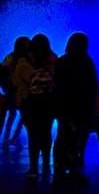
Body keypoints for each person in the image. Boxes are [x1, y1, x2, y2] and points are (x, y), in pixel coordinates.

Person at [53, 32, 98, 183]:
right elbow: (92, 88)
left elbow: (56, 85)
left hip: (64, 108)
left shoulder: (62, 61)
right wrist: (91, 109)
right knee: (75, 139)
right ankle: (73, 171)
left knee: (62, 138)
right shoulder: (86, 62)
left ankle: (59, 168)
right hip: (80, 108)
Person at [13, 33, 57, 179]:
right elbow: (57, 80)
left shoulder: (24, 60)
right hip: (49, 102)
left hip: (29, 103)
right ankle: (45, 163)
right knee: (46, 132)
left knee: (33, 135)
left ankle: (33, 168)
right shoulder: (53, 59)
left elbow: (15, 81)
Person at [1, 36, 29, 149]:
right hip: (14, 90)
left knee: (16, 115)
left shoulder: (11, 58)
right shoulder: (13, 58)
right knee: (16, 115)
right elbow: (2, 71)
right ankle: (10, 137)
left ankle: (10, 138)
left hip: (15, 90)